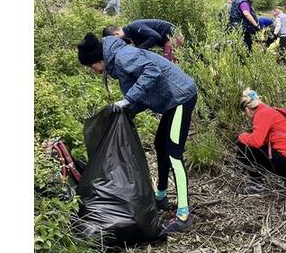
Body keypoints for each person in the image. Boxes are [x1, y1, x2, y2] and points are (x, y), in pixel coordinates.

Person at [77, 32, 198, 233]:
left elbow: (152, 72)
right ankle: (161, 197)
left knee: (173, 154)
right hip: (171, 101)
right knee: (160, 146)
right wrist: (129, 109)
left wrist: (127, 100)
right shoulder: (117, 61)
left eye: (91, 66)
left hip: (181, 98)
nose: (93, 71)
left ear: (98, 60)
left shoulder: (123, 56)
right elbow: (145, 92)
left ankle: (183, 214)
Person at [236, 89, 286, 193]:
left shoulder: (261, 114)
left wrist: (241, 136)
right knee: (257, 146)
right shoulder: (270, 111)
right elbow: (265, 141)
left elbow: (256, 142)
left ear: (247, 109)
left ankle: (257, 185)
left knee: (243, 145)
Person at [103, 19, 184, 63]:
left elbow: (156, 37)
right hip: (167, 40)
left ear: (117, 34)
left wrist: (139, 50)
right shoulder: (129, 36)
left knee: (170, 64)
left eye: (114, 40)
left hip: (173, 35)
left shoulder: (133, 27)